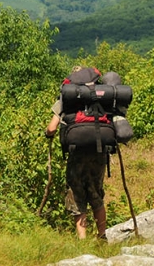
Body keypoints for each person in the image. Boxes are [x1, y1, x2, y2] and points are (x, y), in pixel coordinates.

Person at [44, 68, 117, 240]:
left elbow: (51, 128)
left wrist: (48, 134)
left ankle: (82, 240)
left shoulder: (67, 96)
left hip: (76, 153)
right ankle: (102, 236)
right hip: (99, 151)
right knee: (96, 193)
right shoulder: (101, 94)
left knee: (76, 194)